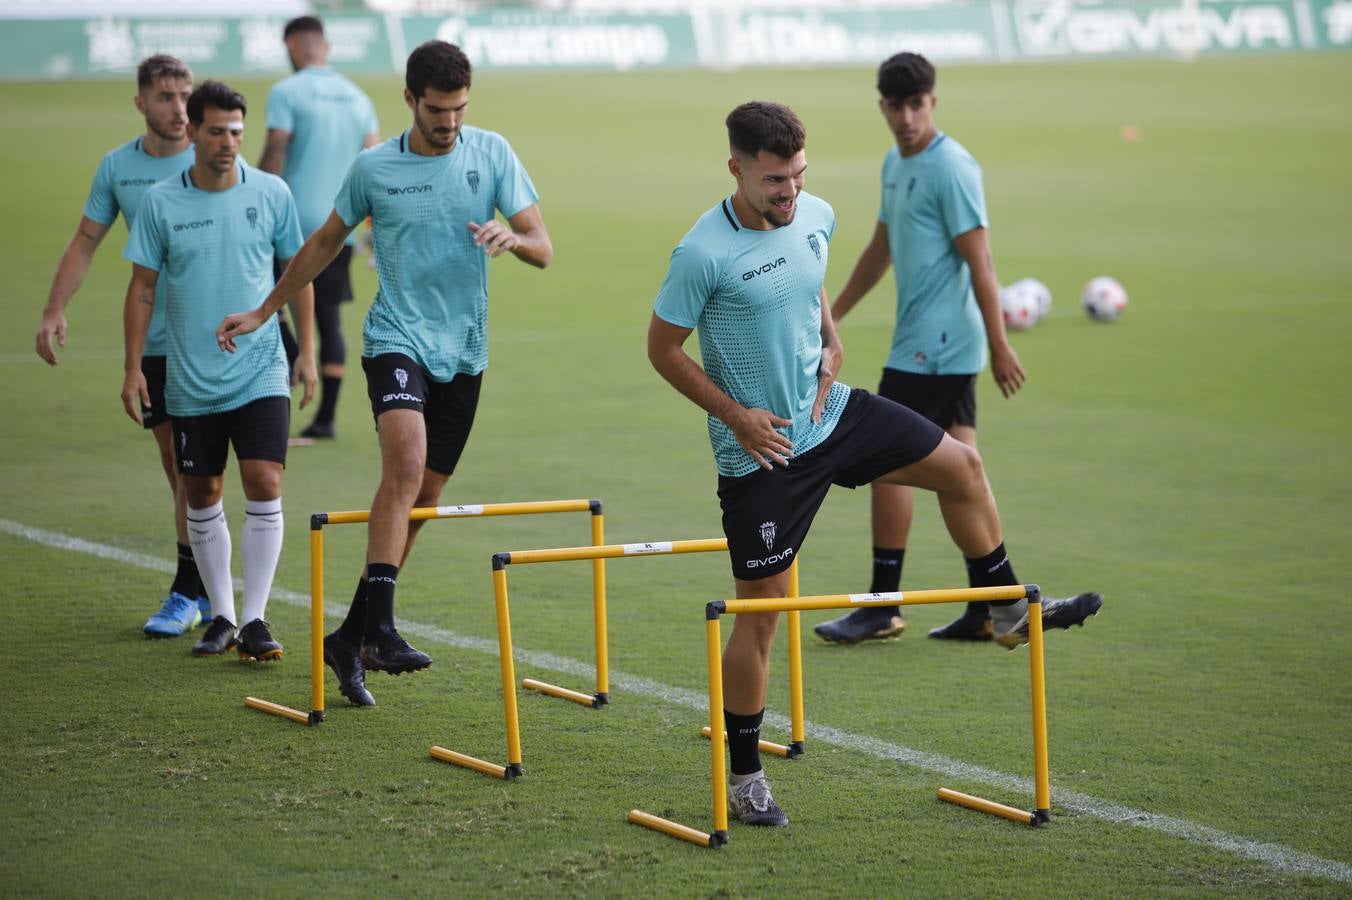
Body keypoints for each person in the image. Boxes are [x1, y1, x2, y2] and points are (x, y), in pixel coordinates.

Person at [649, 101, 1084, 828]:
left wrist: (830, 332)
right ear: (736, 170)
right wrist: (736, 416)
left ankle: (1003, 604)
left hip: (835, 413)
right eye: (773, 184)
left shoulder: (814, 212)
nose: (789, 196)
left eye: (797, 178)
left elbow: (810, 269)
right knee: (760, 620)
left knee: (964, 468)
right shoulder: (701, 254)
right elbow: (662, 350)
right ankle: (747, 778)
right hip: (764, 452)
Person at [223, 41, 552, 705]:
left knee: (421, 502)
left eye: (459, 109)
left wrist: (513, 241)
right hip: (395, 338)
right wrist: (266, 309)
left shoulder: (492, 154)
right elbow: (322, 244)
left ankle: (352, 636)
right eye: (437, 109)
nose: (450, 122)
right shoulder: (375, 168)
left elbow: (543, 246)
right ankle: (384, 630)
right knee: (404, 469)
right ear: (409, 100)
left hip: (465, 353)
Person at [812, 53, 1102, 645]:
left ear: (933, 103)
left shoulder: (952, 168)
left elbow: (982, 260)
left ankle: (883, 604)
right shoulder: (896, 163)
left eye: (917, 105)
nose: (907, 117)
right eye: (897, 107)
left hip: (937, 346)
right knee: (959, 472)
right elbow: (879, 250)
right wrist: (831, 316)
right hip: (931, 341)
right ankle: (987, 605)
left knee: (885, 465)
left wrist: (999, 342)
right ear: (884, 108)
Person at [122, 81, 317, 661]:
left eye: (236, 130)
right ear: (193, 131)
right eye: (216, 130)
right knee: (201, 490)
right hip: (189, 375)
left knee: (265, 480)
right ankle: (223, 616)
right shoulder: (162, 202)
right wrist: (133, 367)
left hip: (260, 368)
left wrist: (306, 350)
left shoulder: (272, 192)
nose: (228, 141)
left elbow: (297, 270)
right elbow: (141, 291)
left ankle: (254, 617)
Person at [35, 55, 209, 637]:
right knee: (177, 465)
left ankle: (194, 587)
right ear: (141, 103)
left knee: (201, 467)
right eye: (165, 97)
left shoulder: (214, 154)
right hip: (155, 339)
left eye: (186, 94)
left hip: (214, 337)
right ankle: (199, 582)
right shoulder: (119, 168)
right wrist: (55, 308)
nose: (179, 108)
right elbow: (86, 240)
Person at [258, 15, 381, 440]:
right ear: (324, 46)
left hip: (289, 226)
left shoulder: (286, 92)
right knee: (327, 318)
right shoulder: (359, 98)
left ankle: (287, 369)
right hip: (338, 226)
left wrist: (249, 198)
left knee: (267, 303)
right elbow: (374, 165)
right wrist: (373, 227)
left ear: (292, 45)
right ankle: (325, 417)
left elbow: (275, 153)